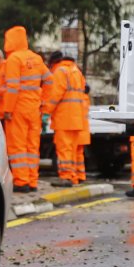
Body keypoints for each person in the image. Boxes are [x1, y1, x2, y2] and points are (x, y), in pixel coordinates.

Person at [2, 26, 52, 193]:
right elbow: (49, 80)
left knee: (18, 147)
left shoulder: (14, 59)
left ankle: (21, 181)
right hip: (34, 109)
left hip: (18, 108)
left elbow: (12, 87)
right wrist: (44, 103)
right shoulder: (36, 58)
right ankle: (32, 180)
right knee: (32, 146)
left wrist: (7, 109)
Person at [42, 51, 91, 187]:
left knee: (64, 149)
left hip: (64, 117)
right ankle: (73, 176)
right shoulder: (77, 72)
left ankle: (66, 177)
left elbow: (55, 95)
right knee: (72, 149)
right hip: (77, 118)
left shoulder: (60, 72)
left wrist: (46, 112)